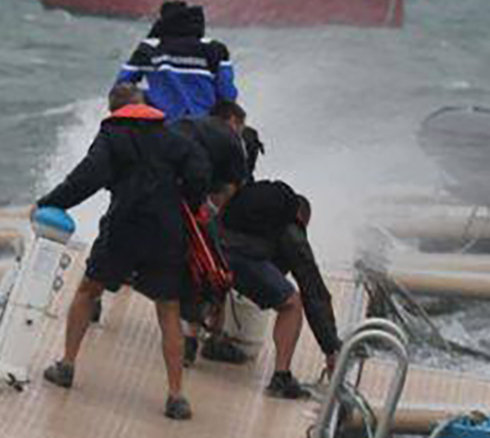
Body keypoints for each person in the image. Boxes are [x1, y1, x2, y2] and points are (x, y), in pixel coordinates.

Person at [36, 82, 211, 419]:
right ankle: (176, 396)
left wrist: (50, 202)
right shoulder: (174, 136)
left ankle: (67, 364)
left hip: (123, 229)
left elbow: (86, 178)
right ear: (142, 104)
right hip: (166, 233)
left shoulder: (112, 135)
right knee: (168, 309)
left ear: (114, 111)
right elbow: (199, 173)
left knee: (88, 290)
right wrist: (185, 200)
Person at [214, 177, 341, 398]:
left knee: (222, 280)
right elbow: (312, 288)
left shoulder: (257, 202)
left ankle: (208, 340)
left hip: (212, 246)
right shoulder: (290, 226)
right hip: (238, 254)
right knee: (292, 303)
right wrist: (331, 347)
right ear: (302, 217)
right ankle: (281, 377)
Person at [173, 99, 251, 365]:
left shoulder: (184, 123)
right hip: (191, 204)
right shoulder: (231, 139)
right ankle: (193, 342)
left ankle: (96, 301)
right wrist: (213, 211)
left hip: (156, 192)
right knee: (206, 271)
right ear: (232, 120)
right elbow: (233, 188)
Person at [113, 0, 237, 123]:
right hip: (203, 126)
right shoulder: (215, 48)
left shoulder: (149, 48)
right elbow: (227, 94)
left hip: (161, 126)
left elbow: (122, 85)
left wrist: (147, 98)